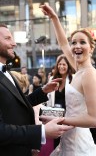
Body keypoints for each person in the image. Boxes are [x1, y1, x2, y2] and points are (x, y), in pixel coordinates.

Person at [40, 3, 96, 156]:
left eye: (82, 42)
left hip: (79, 143)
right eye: (74, 42)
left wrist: (61, 120)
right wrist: (54, 17)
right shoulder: (78, 69)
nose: (76, 46)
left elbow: (95, 120)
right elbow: (63, 43)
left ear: (91, 48)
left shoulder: (89, 74)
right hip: (68, 139)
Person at [0, 24, 73, 156]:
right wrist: (42, 132)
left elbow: (15, 105)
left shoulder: (6, 72)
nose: (14, 43)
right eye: (8, 38)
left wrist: (43, 91)